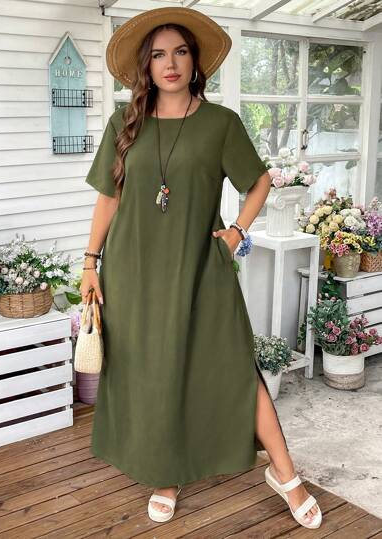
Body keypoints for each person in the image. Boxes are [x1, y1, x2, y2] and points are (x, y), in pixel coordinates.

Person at [81, 6, 322, 529]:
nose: (170, 64)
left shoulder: (220, 124)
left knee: (235, 367)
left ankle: (286, 474)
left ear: (195, 62)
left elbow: (259, 181)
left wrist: (236, 232)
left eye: (180, 52)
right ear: (146, 66)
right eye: (158, 55)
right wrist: (90, 262)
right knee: (156, 371)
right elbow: (109, 198)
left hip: (201, 269)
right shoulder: (125, 123)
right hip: (134, 273)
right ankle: (166, 474)